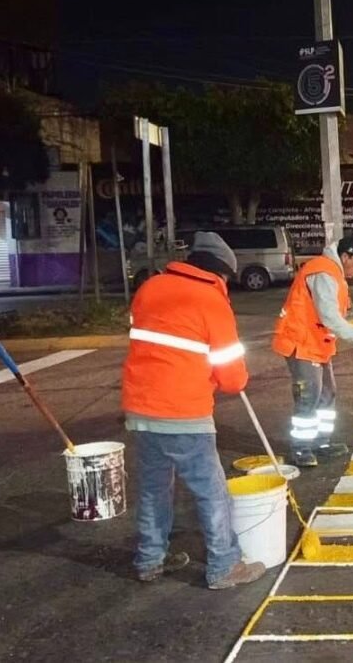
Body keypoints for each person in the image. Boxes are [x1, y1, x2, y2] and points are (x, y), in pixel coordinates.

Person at [123, 231, 265, 589]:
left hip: (141, 409)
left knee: (154, 488)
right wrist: (226, 378)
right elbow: (232, 377)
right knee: (211, 491)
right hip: (184, 410)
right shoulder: (211, 301)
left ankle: (150, 559)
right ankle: (223, 566)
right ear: (219, 273)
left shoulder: (149, 289)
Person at [272, 236, 353, 467]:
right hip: (301, 343)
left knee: (327, 393)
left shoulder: (334, 273)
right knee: (309, 397)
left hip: (317, 345)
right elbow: (328, 316)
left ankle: (321, 442)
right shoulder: (324, 272)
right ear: (346, 256)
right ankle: (301, 450)